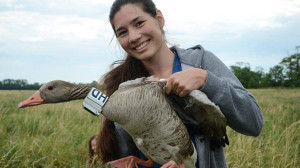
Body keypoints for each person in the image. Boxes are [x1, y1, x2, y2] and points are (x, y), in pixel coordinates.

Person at [96, 0, 264, 167]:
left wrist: (206, 80)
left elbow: (254, 123)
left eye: (139, 23)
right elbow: (119, 146)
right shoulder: (118, 84)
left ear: (159, 19)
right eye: (123, 32)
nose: (133, 37)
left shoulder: (200, 62)